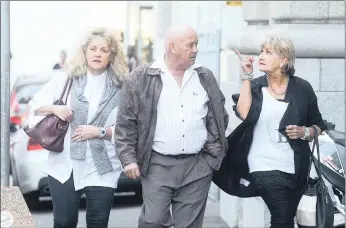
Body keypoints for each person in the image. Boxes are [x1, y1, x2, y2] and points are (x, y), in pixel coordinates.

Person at [114, 24, 229, 228]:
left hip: (198, 165)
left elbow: (219, 117)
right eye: (190, 45)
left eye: (197, 44)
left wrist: (211, 156)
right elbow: (125, 124)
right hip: (157, 164)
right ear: (172, 47)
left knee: (189, 225)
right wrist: (128, 159)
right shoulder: (141, 78)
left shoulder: (204, 77)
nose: (196, 50)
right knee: (153, 220)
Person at [214, 32, 326, 228]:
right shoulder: (256, 87)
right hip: (263, 166)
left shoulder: (302, 89)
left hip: (296, 168)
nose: (261, 56)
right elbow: (243, 113)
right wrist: (247, 75)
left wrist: (304, 132)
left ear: (283, 60)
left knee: (287, 218)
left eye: (268, 52)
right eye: (261, 51)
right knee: (282, 216)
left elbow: (318, 126)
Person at [27, 27, 128, 228]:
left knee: (98, 223)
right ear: (84, 52)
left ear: (112, 55)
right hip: (65, 165)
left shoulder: (122, 86)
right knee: (65, 222)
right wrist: (56, 108)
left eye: (104, 50)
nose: (98, 53)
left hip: (102, 165)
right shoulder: (66, 80)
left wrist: (102, 132)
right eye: (93, 49)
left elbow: (131, 128)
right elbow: (34, 107)